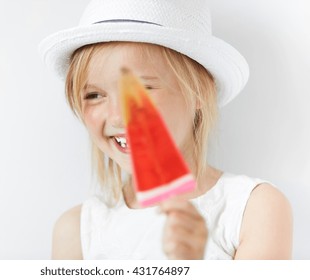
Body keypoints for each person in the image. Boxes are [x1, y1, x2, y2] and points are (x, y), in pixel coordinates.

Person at [39, 0, 292, 259]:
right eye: (94, 95)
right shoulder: (76, 232)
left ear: (198, 94)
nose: (117, 116)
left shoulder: (253, 209)